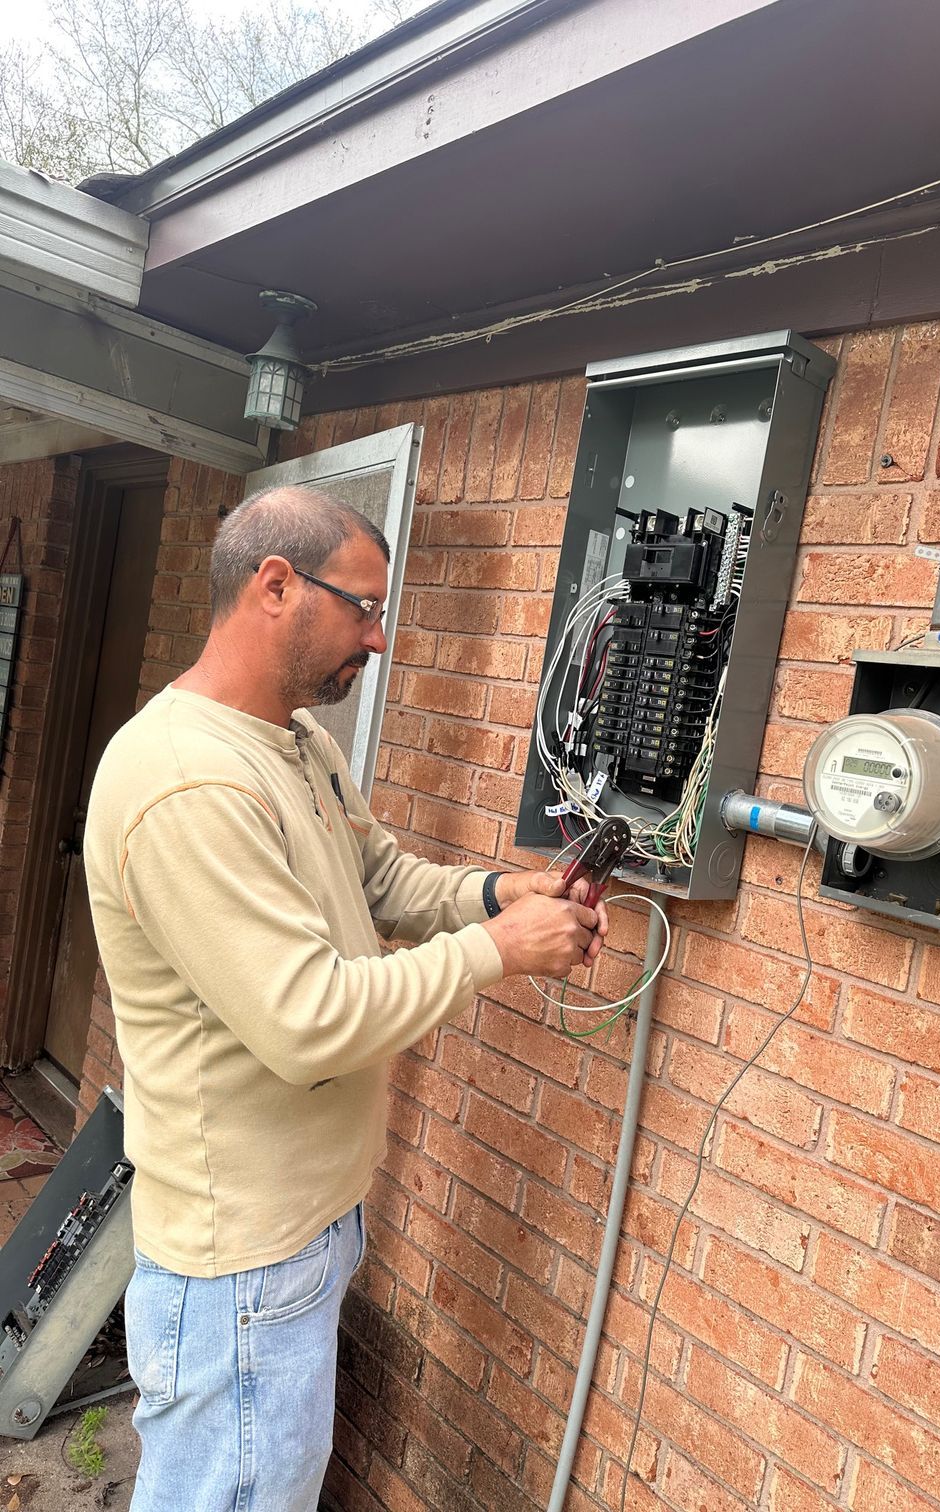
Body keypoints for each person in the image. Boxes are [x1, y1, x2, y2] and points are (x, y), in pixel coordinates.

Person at [84, 485, 607, 1511]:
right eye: (363, 607)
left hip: (307, 1232)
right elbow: (309, 1023)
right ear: (275, 585)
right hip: (241, 1262)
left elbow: (383, 884)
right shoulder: (188, 781)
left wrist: (503, 895)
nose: (378, 638)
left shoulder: (293, 744)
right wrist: (500, 951)